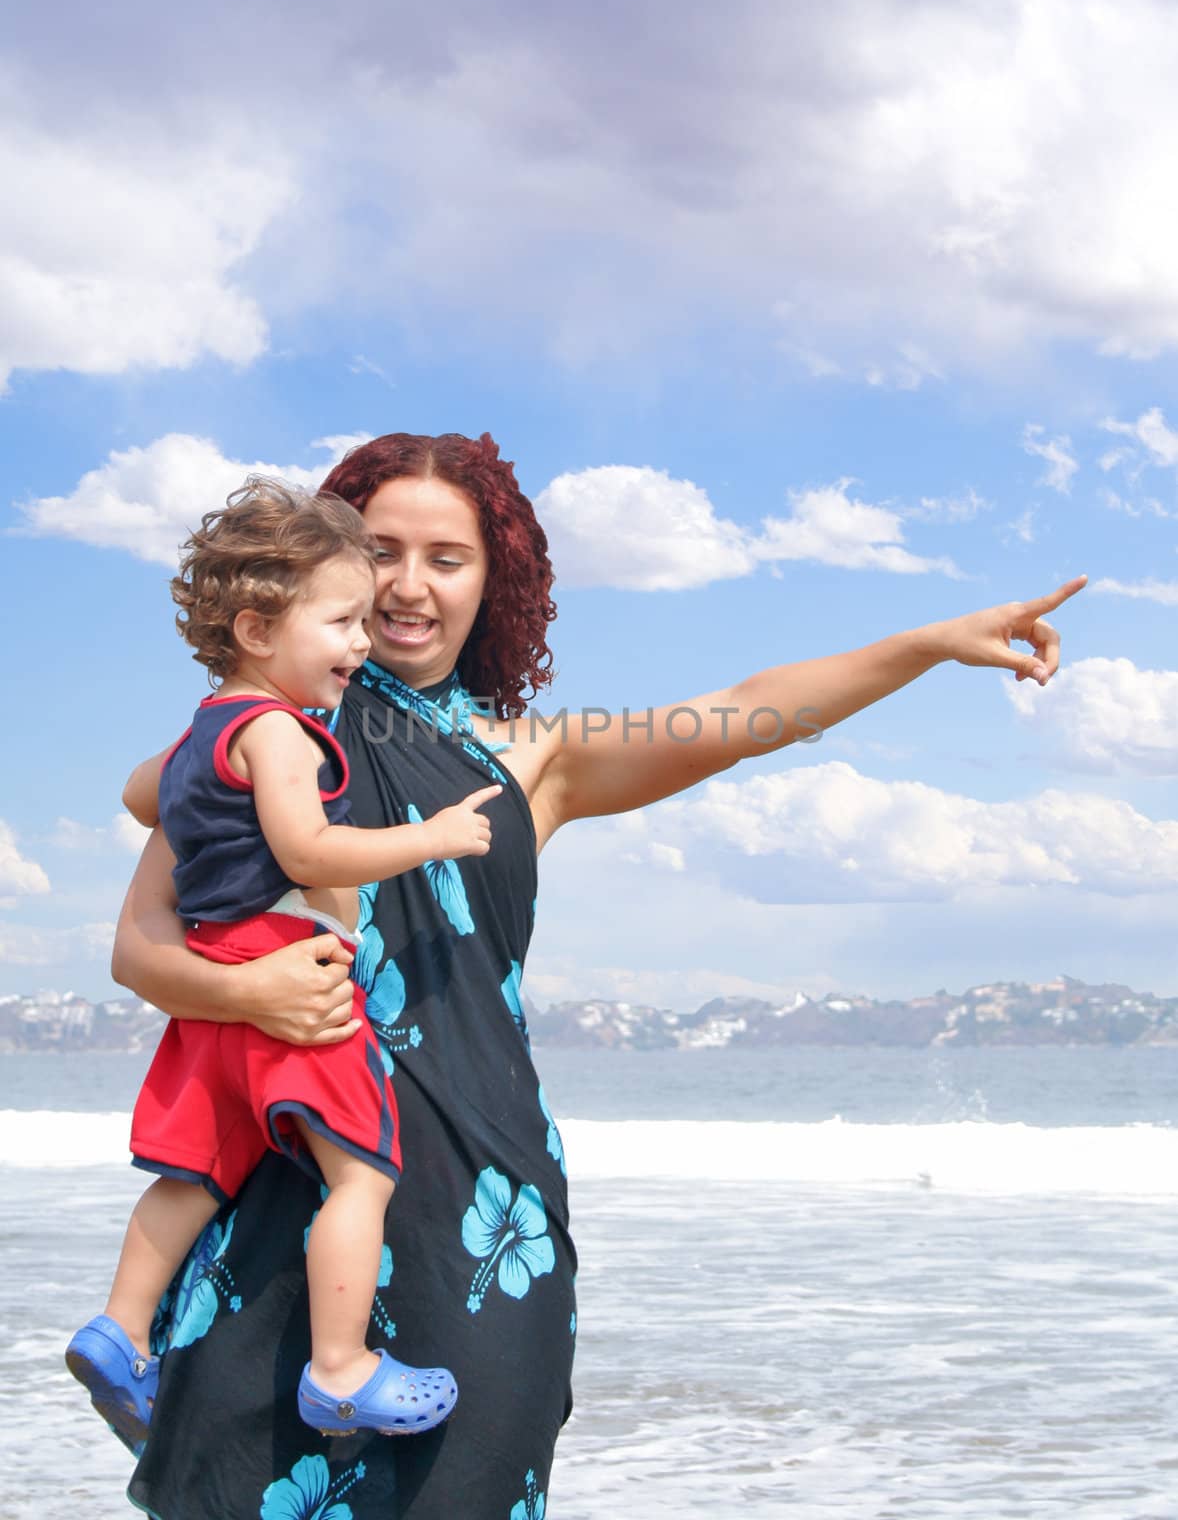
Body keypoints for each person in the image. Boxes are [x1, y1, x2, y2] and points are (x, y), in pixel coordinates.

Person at [109, 432, 1085, 1519]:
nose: (409, 584)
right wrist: (245, 993)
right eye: (381, 550)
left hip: (486, 1218)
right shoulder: (262, 739)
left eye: (449, 556)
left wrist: (926, 645)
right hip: (290, 1183)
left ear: (496, 580)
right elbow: (139, 947)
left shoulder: (532, 757)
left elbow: (747, 712)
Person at [67, 478, 504, 1455]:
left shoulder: (205, 729)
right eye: (341, 620)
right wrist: (426, 834)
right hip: (286, 967)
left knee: (192, 1174)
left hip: (209, 988)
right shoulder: (278, 731)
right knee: (361, 1175)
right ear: (259, 629)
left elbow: (142, 795)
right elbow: (308, 854)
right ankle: (342, 1368)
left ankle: (118, 1328)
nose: (360, 641)